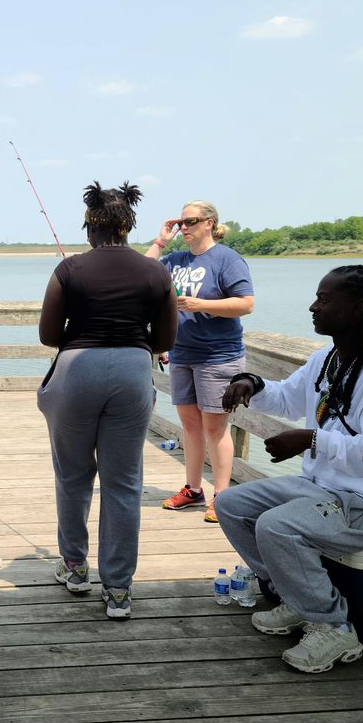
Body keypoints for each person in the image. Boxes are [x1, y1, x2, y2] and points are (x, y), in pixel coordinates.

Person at [219, 266, 363, 673]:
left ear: (358, 308)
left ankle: (333, 627)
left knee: (276, 525)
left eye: (324, 299)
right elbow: (287, 398)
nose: (313, 306)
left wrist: (310, 440)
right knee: (230, 504)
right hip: (323, 488)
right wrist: (252, 384)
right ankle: (295, 598)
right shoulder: (328, 360)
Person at [38, 182, 177, 619]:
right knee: (123, 482)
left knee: (73, 474)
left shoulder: (69, 268)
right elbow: (166, 339)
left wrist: (82, 341)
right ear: (127, 225)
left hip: (77, 369)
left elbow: (46, 334)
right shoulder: (157, 272)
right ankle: (118, 589)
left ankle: (76, 567)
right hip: (133, 371)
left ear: (90, 225)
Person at [145, 201, 254, 523]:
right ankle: (193, 489)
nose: (184, 227)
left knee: (215, 427)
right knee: (190, 426)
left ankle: (222, 496)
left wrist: (200, 304)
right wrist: (160, 241)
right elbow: (139, 275)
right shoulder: (174, 260)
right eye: (180, 222)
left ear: (209, 223)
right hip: (182, 355)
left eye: (190, 221)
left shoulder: (227, 259)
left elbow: (246, 304)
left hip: (218, 356)